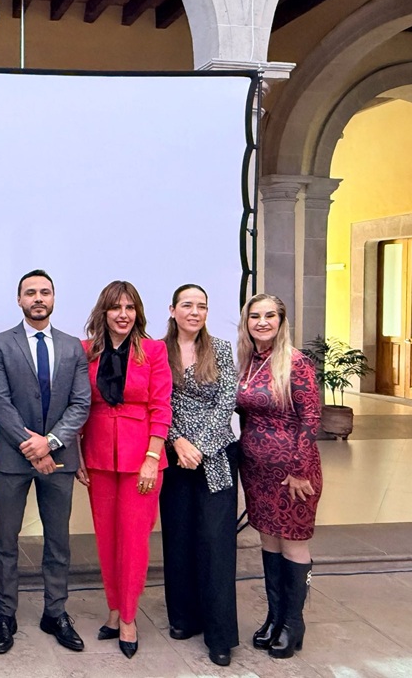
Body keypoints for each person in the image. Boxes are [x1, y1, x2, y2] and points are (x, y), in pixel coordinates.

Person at [0, 269, 91, 655]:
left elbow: (81, 403)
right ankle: (5, 615)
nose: (38, 298)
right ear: (19, 300)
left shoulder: (73, 347)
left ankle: (55, 612)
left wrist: (51, 443)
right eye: (30, 292)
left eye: (45, 292)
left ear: (54, 298)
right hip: (13, 459)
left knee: (58, 541)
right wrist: (33, 446)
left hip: (59, 458)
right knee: (5, 541)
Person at [75, 280, 171, 659]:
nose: (123, 314)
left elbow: (161, 406)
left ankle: (129, 617)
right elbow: (78, 405)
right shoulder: (86, 351)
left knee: (133, 541)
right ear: (104, 312)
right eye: (116, 307)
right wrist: (78, 454)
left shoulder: (153, 351)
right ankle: (113, 609)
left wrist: (152, 457)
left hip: (141, 460)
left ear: (138, 313)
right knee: (106, 538)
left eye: (130, 307)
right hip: (98, 456)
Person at [236, 293, 321, 660]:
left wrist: (300, 470)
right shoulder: (249, 362)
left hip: (292, 474)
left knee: (292, 544)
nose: (262, 322)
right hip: (257, 471)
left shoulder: (296, 362)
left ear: (281, 321)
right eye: (255, 316)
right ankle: (274, 617)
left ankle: (293, 624)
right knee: (269, 542)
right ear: (247, 322)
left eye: (270, 315)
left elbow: (311, 418)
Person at [158, 284, 239, 667]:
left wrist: (200, 447)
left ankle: (219, 634)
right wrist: (177, 441)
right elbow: (157, 402)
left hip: (215, 456)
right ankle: (183, 618)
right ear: (172, 310)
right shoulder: (157, 350)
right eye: (187, 305)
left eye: (201, 306)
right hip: (174, 456)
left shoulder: (220, 348)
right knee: (178, 539)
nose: (195, 311)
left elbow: (226, 403)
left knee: (215, 543)